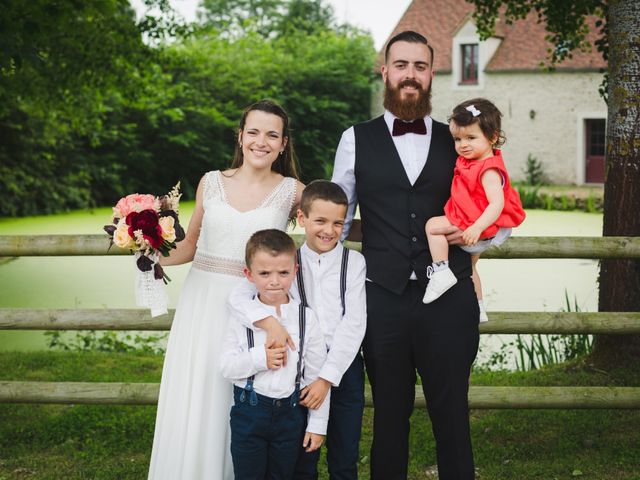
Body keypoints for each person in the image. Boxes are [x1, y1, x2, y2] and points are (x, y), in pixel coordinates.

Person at [331, 31, 479, 479]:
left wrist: (472, 243)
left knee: (452, 417)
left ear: (432, 74)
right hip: (383, 300)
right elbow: (335, 223)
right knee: (389, 419)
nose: (410, 75)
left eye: (419, 66)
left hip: (449, 301)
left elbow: (493, 217)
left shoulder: (460, 141)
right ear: (385, 72)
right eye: (401, 65)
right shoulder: (355, 139)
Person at [147, 100, 305, 480]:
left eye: (272, 134)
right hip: (201, 302)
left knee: (237, 391)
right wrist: (148, 253)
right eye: (253, 132)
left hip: (253, 306)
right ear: (240, 136)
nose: (261, 141)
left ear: (283, 144)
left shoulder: (293, 191)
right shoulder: (210, 181)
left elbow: (325, 229)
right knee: (198, 390)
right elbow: (189, 244)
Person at [228, 180, 367, 480]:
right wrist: (270, 323)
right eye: (320, 221)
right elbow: (238, 295)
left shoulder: (353, 263)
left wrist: (326, 379)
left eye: (337, 223)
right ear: (302, 219)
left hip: (344, 367)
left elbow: (354, 325)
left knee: (345, 453)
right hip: (299, 370)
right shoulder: (286, 261)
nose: (328, 230)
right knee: (303, 456)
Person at [220, 229, 329, 480]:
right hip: (249, 412)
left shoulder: (305, 318)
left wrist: (317, 424)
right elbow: (226, 366)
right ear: (249, 275)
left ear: (295, 271)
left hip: (290, 416)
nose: (274, 281)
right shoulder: (243, 317)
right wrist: (260, 359)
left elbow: (315, 376)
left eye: (283, 273)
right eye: (264, 273)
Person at [422, 98, 526, 321]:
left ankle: (440, 270)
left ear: (493, 137)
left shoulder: (489, 170)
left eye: (471, 138)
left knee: (432, 227)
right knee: (471, 270)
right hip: (474, 225)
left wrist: (477, 228)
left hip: (476, 226)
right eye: (457, 139)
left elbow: (496, 203)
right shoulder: (473, 161)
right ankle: (479, 308)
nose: (463, 145)